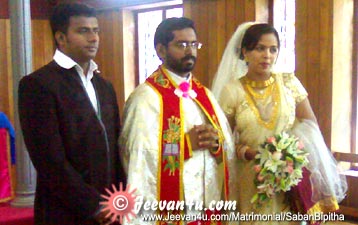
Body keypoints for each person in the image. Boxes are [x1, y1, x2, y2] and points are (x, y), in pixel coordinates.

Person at [212, 22, 347, 225]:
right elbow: (224, 138)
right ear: (245, 52)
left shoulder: (289, 82)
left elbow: (310, 123)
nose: (267, 55)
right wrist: (246, 152)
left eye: (272, 49)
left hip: (288, 176)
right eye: (260, 48)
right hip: (251, 176)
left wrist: (289, 153)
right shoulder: (232, 91)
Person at [120, 17, 236, 224]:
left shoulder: (203, 94)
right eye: (181, 45)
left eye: (193, 44)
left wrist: (216, 143)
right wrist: (185, 145)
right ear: (161, 50)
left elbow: (225, 145)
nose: (189, 51)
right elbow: (140, 159)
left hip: (206, 205)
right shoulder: (146, 98)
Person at [18, 3, 125, 225]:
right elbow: (50, 161)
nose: (93, 38)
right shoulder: (39, 85)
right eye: (83, 30)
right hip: (65, 212)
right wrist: (93, 206)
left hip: (110, 207)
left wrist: (118, 198)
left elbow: (115, 147)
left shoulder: (104, 86)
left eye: (96, 30)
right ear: (61, 38)